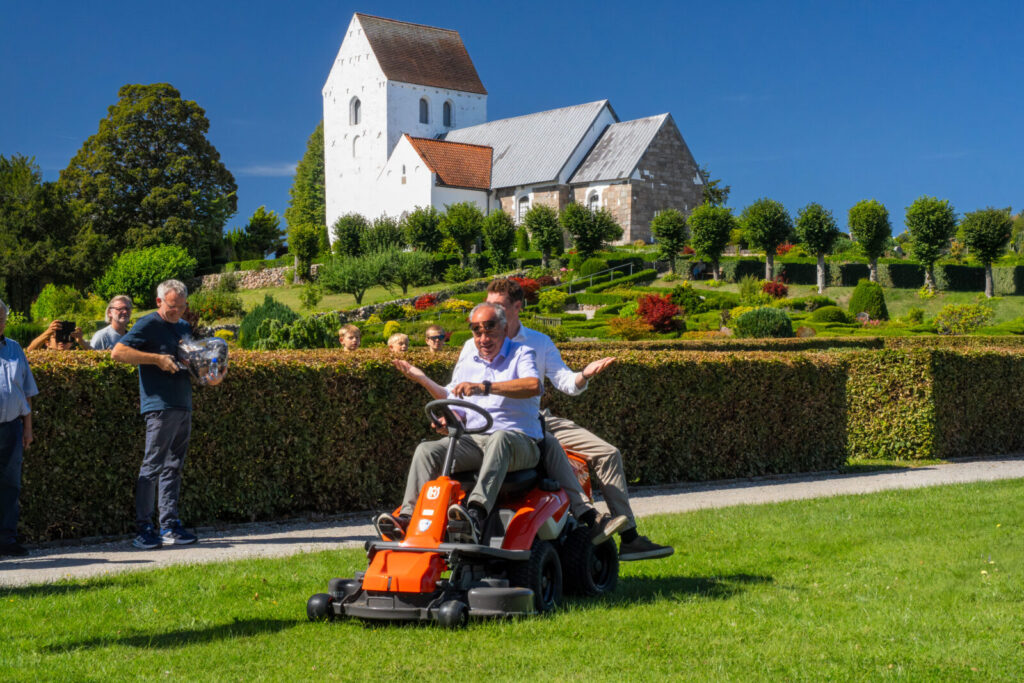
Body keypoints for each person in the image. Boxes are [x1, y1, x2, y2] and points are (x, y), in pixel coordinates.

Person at [467, 278, 673, 561]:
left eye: (498, 306)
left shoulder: (538, 342)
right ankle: (588, 515)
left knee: (608, 453)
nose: (491, 313)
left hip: (535, 419)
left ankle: (629, 537)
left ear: (517, 307)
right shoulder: (475, 344)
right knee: (546, 445)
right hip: (500, 427)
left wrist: (583, 375)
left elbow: (564, 381)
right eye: (488, 305)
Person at [380, 303, 545, 544]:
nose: (483, 338)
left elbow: (533, 385)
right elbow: (453, 399)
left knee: (500, 438)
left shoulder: (521, 353)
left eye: (489, 329)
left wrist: (485, 387)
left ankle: (476, 514)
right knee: (427, 450)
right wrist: (423, 380)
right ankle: (407, 518)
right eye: (477, 331)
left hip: (520, 442)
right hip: (476, 441)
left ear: (504, 328)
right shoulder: (470, 360)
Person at [111, 280, 198, 550]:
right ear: (159, 302)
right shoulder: (148, 323)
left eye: (182, 306)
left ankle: (169, 525)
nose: (178, 311)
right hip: (159, 406)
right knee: (152, 467)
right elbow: (118, 353)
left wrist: (206, 368)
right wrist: (156, 359)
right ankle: (144, 529)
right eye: (173, 306)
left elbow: (191, 362)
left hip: (182, 403)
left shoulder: (183, 326)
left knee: (174, 467)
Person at [0, 299, 37, 557]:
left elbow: (27, 391)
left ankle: (6, 539)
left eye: (2, 319)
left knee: (10, 486)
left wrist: (28, 428)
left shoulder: (14, 348)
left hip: (12, 428)